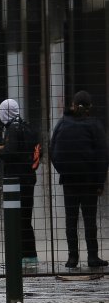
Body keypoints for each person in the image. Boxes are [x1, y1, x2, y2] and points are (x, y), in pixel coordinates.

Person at [50, 90, 109, 268]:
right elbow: (103, 156)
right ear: (90, 107)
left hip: (69, 181)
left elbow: (53, 151)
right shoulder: (95, 125)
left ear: (73, 105)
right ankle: (92, 257)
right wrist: (99, 182)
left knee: (71, 219)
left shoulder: (62, 123)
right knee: (90, 219)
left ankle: (72, 258)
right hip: (89, 182)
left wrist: (64, 171)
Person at [0, 99, 38, 265]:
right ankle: (30, 256)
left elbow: (11, 151)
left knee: (15, 219)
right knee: (25, 219)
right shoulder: (27, 127)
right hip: (29, 179)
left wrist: (0, 150)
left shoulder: (12, 129)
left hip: (15, 182)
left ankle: (18, 257)